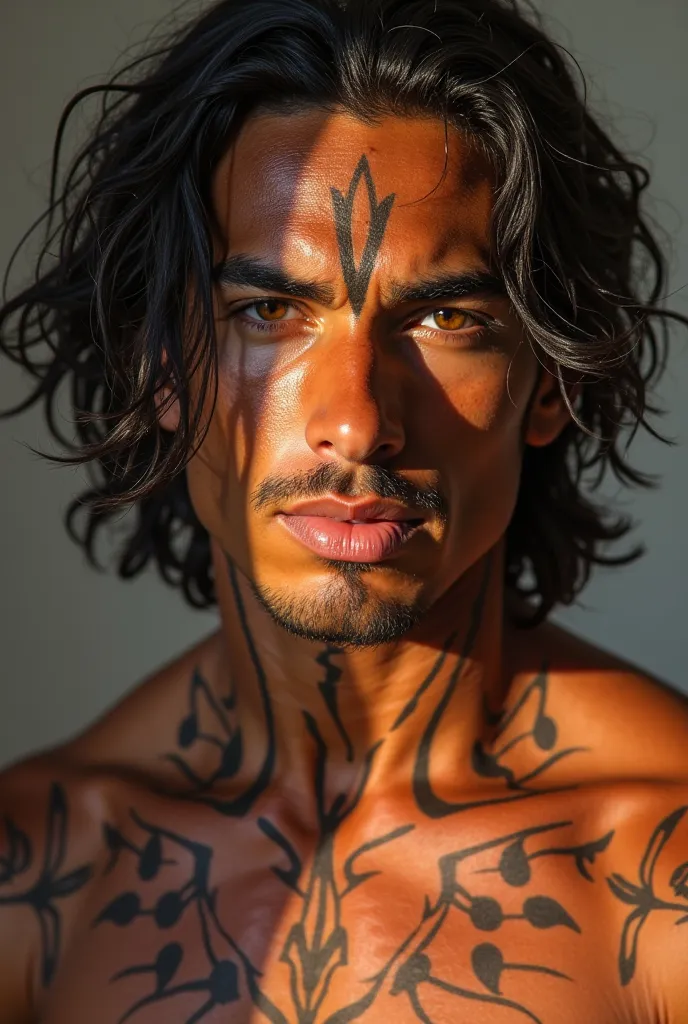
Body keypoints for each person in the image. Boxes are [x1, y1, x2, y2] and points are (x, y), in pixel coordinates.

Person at [1, 0, 687, 1020]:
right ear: (162, 369)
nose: (357, 422)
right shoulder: (37, 875)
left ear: (550, 379)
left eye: (446, 316)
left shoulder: (657, 871)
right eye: (270, 313)